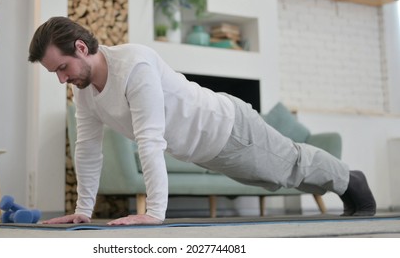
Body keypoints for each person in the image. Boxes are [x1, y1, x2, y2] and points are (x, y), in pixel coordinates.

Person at [28, 16, 376, 226]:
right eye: (54, 73)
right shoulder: (84, 90)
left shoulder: (135, 66)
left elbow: (151, 140)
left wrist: (155, 213)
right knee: (280, 177)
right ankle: (342, 183)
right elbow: (88, 150)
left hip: (230, 129)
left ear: (81, 47)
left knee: (291, 166)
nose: (62, 79)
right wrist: (83, 211)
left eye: (62, 68)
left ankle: (352, 181)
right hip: (209, 151)